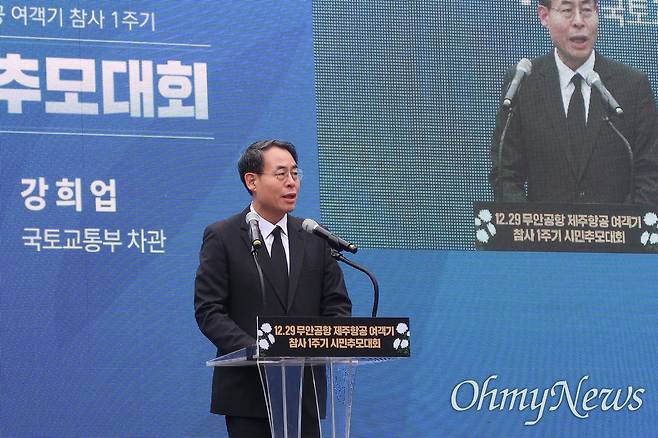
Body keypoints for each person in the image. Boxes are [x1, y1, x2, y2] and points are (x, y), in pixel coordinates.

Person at [194, 139, 352, 438]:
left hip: (305, 393)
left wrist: (323, 342)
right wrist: (259, 350)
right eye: (281, 174)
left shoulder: (314, 237)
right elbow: (210, 311)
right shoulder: (223, 236)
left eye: (295, 173)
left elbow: (337, 306)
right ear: (251, 181)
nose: (292, 182)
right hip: (248, 392)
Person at [490, 0, 658, 206]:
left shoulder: (632, 85)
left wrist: (623, 222)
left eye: (587, 10)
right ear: (544, 16)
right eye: (567, 10)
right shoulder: (524, 83)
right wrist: (529, 223)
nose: (579, 21)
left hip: (616, 225)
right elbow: (505, 173)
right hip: (543, 226)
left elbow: (650, 173)